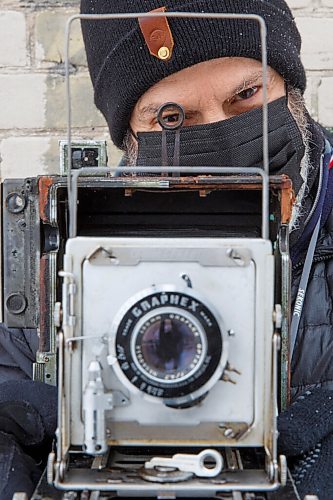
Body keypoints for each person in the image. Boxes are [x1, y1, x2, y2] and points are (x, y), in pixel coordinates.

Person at [0, 0, 332, 498]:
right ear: (128, 132)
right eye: (172, 117)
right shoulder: (58, 249)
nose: (218, 130)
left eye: (247, 93)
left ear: (289, 85)